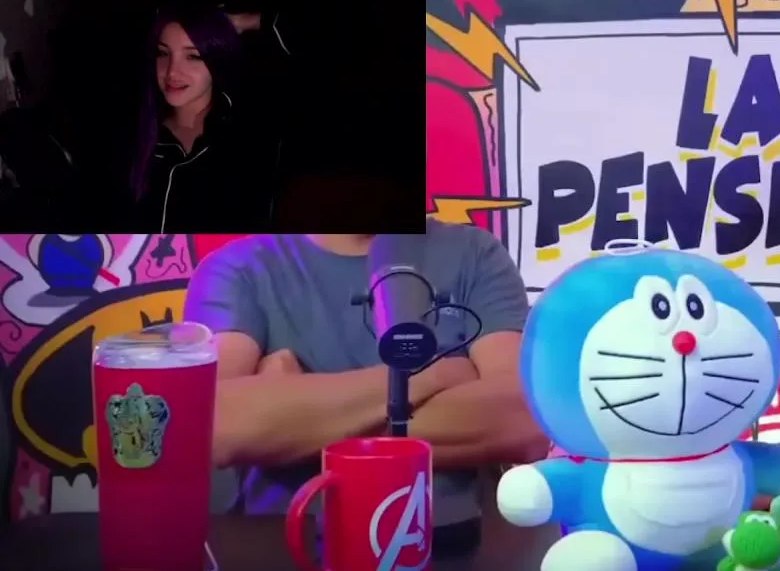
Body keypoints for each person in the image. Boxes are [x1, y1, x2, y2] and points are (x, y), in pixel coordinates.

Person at [182, 226, 547, 539]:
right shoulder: (239, 268)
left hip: (447, 541)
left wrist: (290, 417)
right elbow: (220, 424)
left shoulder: (473, 253)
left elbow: (522, 420)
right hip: (288, 547)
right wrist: (439, 375)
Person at [129, 6, 279, 232]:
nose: (172, 72)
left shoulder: (251, 135)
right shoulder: (132, 138)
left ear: (218, 58)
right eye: (163, 53)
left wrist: (245, 21)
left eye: (193, 56)